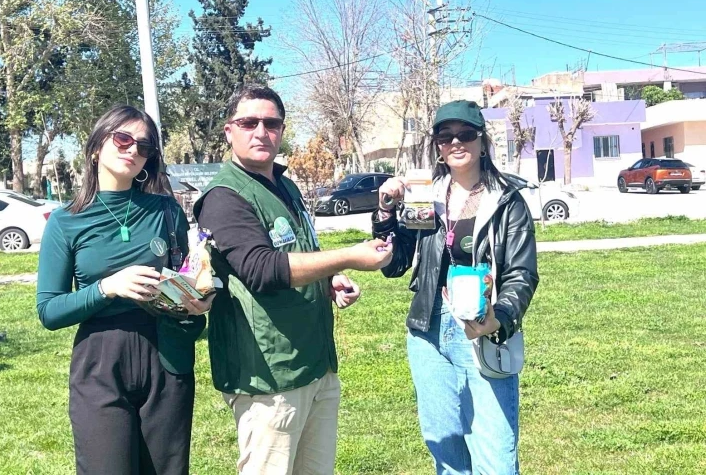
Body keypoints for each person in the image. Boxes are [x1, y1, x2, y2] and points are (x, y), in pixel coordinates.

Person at [193, 84, 393, 475]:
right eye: (248, 122)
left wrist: (329, 279)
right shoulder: (223, 196)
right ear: (228, 131)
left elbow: (300, 252)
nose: (260, 131)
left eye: (271, 123)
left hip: (315, 363)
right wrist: (349, 256)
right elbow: (261, 269)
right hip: (269, 377)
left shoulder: (285, 185)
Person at [37, 105, 215, 475]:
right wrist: (107, 287)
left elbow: (186, 278)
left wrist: (196, 304)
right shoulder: (66, 221)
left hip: (166, 355)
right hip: (101, 361)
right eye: (123, 138)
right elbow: (49, 311)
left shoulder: (166, 210)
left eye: (145, 146)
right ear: (96, 147)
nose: (133, 150)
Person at [372, 100, 539, 475]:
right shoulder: (426, 195)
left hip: (483, 328)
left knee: (494, 456)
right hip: (428, 332)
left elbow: (522, 273)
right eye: (445, 137)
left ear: (482, 141)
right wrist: (385, 212)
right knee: (446, 453)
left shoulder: (507, 200)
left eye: (465, 134)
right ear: (437, 146)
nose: (455, 143)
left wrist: (501, 319)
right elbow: (395, 263)